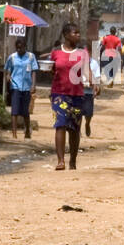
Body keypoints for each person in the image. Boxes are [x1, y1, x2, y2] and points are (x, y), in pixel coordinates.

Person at [47, 21, 91, 170]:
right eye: (75, 33)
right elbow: (51, 69)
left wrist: (94, 83)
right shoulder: (55, 52)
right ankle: (61, 161)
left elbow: (86, 71)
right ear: (66, 35)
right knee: (60, 125)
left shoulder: (82, 53)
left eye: (79, 33)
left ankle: (73, 160)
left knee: (74, 129)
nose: (78, 35)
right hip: (59, 94)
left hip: (77, 95)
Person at [3, 36, 38, 139]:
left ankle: (27, 131)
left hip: (26, 87)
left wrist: (33, 85)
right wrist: (8, 77)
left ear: (25, 47)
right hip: (15, 86)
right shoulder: (12, 57)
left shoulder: (31, 57)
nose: (19, 50)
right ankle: (14, 134)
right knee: (15, 110)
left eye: (21, 48)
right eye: (17, 48)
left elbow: (34, 71)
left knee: (25, 111)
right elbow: (8, 70)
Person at [82, 55, 101, 137]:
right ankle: (77, 131)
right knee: (78, 112)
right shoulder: (76, 62)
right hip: (78, 90)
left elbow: (97, 76)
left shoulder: (94, 63)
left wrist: (97, 86)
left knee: (89, 113)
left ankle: (87, 124)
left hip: (89, 91)